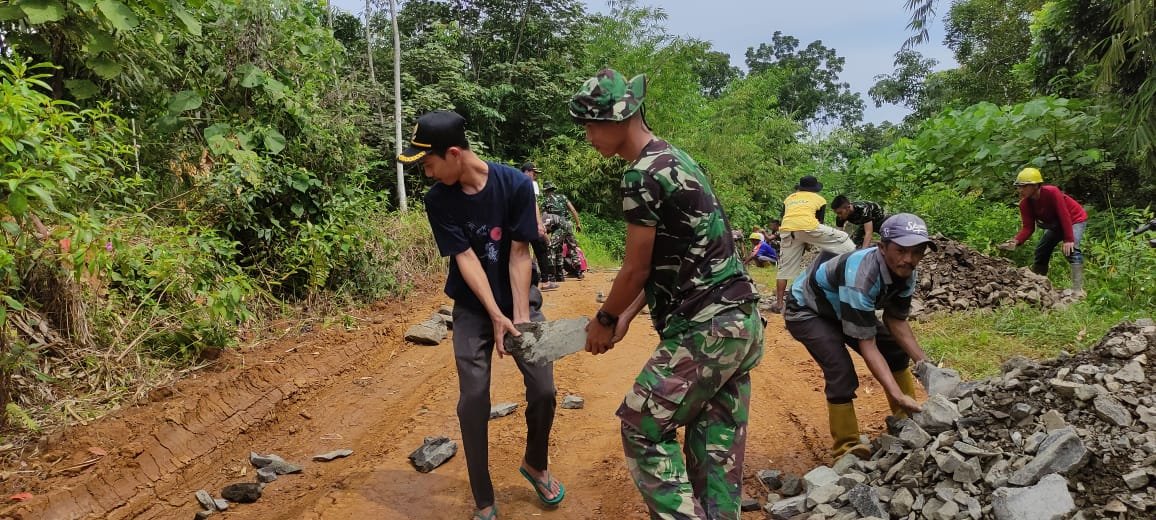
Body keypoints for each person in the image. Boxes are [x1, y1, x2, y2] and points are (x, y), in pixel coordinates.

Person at [570, 68, 764, 520]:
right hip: (740, 324)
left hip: (706, 327)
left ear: (622, 118)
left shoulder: (640, 175)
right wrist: (626, 317)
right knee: (714, 451)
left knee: (641, 427)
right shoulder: (676, 159)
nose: (588, 136)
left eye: (592, 124)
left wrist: (603, 320)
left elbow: (636, 267)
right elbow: (664, 262)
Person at [398, 110, 564, 520]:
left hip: (521, 299)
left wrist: (519, 319)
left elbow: (520, 251)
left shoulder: (515, 185)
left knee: (543, 389)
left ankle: (535, 464)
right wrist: (493, 313)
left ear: (454, 154)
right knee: (473, 399)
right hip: (473, 308)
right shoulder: (437, 199)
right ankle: (484, 498)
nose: (427, 174)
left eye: (429, 164)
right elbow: (466, 257)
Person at [784, 214, 934, 460]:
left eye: (917, 252)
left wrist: (926, 367)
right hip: (807, 310)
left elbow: (896, 320)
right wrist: (896, 392)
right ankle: (847, 447)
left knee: (895, 351)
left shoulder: (907, 271)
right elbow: (868, 345)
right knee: (840, 369)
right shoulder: (862, 276)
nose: (909, 259)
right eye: (901, 250)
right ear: (882, 248)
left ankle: (906, 421)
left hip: (843, 308)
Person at [771, 176, 856, 314]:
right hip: (808, 228)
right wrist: (809, 241)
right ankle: (851, 266)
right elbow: (819, 222)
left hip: (787, 230)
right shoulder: (819, 200)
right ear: (815, 189)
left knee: (784, 269)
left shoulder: (789, 199)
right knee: (845, 240)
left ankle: (779, 304)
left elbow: (785, 218)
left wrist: (802, 241)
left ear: (799, 188)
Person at [998, 167, 1088, 293]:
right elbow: (1028, 228)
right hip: (1055, 225)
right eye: (1019, 187)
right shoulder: (1025, 204)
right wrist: (1016, 241)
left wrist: (1068, 239)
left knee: (1072, 250)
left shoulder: (1052, 192)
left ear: (1035, 186)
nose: (1020, 190)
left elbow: (1064, 215)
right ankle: (1039, 285)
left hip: (1074, 220)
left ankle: (1078, 290)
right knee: (1042, 251)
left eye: (1024, 186)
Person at [521, 162, 558, 291]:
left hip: (518, 221)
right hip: (528, 220)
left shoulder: (514, 181)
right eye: (533, 173)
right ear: (526, 171)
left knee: (521, 251)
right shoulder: (530, 184)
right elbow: (534, 204)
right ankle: (546, 281)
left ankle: (524, 282)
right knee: (540, 247)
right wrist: (539, 224)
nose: (535, 176)